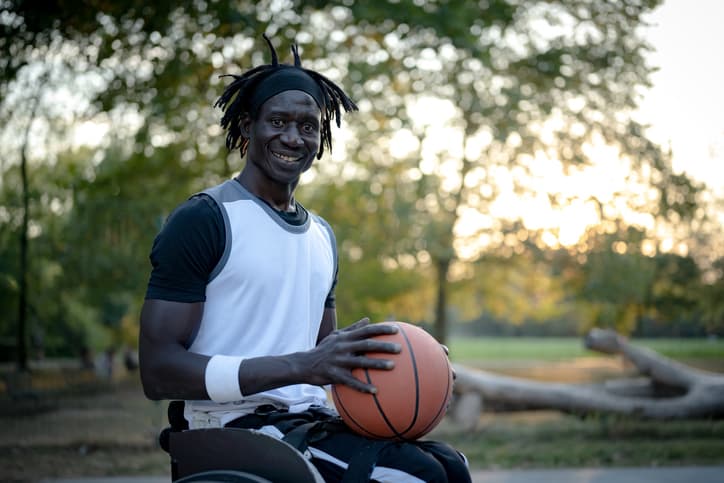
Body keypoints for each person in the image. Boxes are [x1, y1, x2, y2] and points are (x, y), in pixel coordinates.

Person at [139, 35, 471, 483]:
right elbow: (158, 372)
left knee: (449, 466)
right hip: (227, 425)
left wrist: (420, 365)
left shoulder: (321, 235)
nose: (293, 137)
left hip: (309, 419)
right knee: (414, 477)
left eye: (308, 125)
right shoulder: (205, 219)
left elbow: (323, 362)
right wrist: (299, 366)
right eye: (277, 121)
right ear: (246, 127)